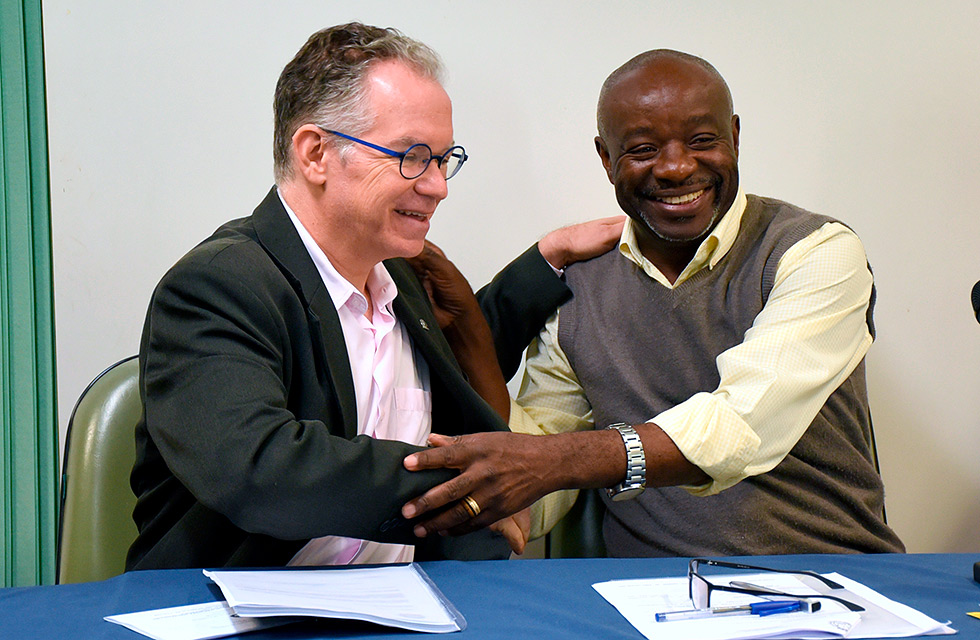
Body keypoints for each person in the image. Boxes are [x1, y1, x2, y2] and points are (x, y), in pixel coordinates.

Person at [126, 22, 617, 570]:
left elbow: (455, 366)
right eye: (411, 156)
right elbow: (262, 472)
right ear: (316, 154)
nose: (438, 185)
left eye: (443, 158)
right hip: (238, 610)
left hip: (408, 603)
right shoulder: (217, 286)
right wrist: (473, 484)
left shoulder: (396, 274)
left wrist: (548, 258)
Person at [402, 49, 905, 556]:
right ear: (605, 158)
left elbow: (739, 427)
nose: (676, 168)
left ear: (734, 136)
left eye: (702, 141)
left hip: (832, 581)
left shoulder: (814, 251)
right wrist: (469, 331)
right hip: (645, 597)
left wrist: (549, 463)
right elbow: (535, 477)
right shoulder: (579, 288)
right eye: (642, 149)